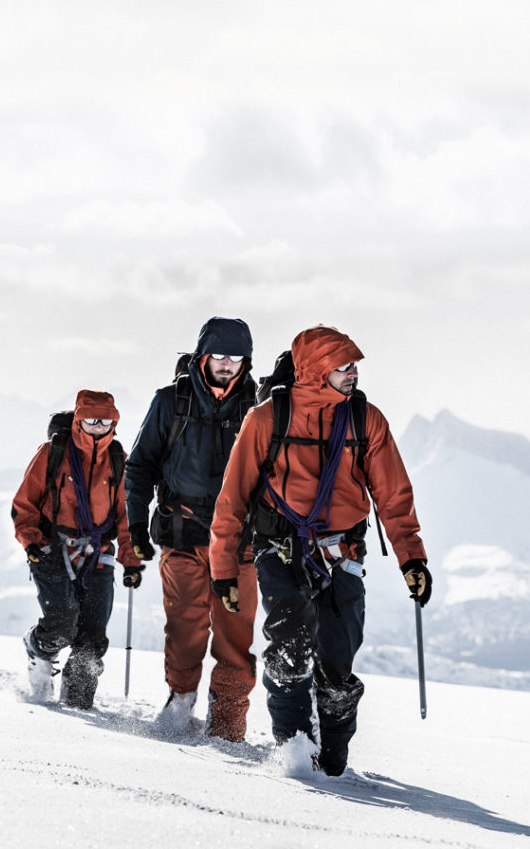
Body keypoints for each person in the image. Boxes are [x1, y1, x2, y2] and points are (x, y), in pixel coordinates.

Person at [209, 325, 431, 775]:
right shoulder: (266, 419)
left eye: (354, 366)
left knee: (337, 664)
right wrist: (223, 568)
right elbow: (232, 497)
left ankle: (332, 763)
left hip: (344, 551)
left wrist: (412, 557)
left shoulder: (366, 419)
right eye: (342, 366)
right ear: (315, 371)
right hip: (281, 548)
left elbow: (392, 494)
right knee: (290, 644)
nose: (353, 374)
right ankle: (294, 751)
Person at [125, 317, 258, 742]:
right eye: (219, 355)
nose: (227, 364)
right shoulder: (170, 402)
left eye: (236, 357)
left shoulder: (259, 408)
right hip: (182, 532)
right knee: (185, 627)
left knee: (236, 637)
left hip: (240, 542)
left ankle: (229, 725)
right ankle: (180, 699)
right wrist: (134, 526)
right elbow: (140, 466)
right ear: (203, 356)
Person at [12, 390, 143, 708]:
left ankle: (78, 707)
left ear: (113, 423)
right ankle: (37, 648)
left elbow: (128, 516)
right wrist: (31, 541)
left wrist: (131, 558)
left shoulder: (118, 460)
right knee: (61, 622)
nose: (97, 426)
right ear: (78, 421)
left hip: (97, 555)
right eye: (89, 420)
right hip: (51, 550)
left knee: (92, 640)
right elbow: (24, 503)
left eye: (104, 421)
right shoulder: (52, 453)